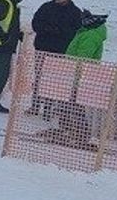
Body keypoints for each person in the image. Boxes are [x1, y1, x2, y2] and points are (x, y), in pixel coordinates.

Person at [44, 10, 110, 148]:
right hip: (74, 74)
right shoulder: (86, 32)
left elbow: (82, 57)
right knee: (68, 105)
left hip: (78, 76)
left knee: (74, 105)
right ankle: (68, 130)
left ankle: (81, 135)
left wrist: (71, 72)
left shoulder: (91, 35)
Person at [29, 0, 84, 115]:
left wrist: (59, 31)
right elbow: (35, 23)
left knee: (53, 81)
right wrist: (46, 29)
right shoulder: (46, 7)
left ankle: (49, 109)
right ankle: (35, 106)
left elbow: (75, 32)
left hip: (60, 51)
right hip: (42, 48)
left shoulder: (75, 12)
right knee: (38, 78)